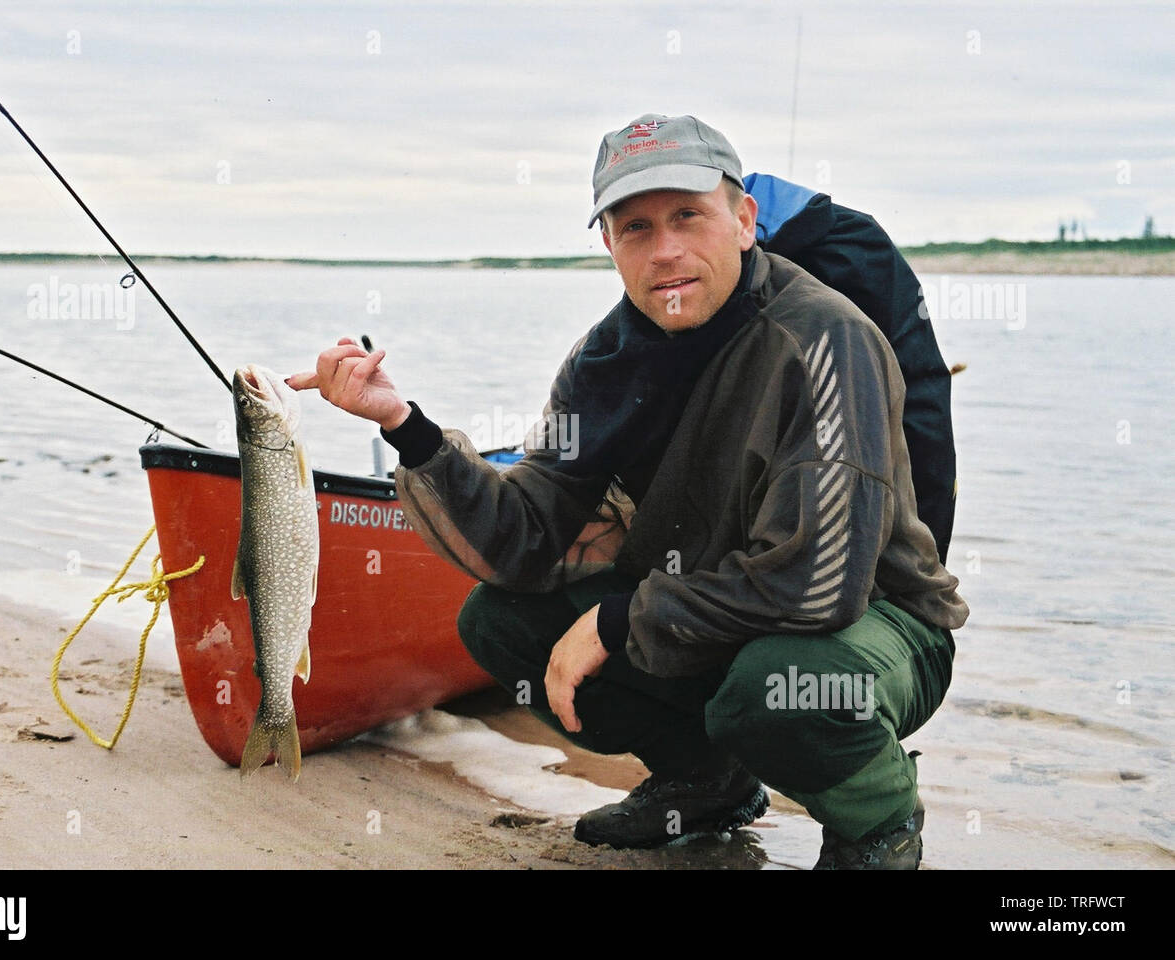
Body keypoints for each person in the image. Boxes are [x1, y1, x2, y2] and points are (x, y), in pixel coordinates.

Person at [287, 113, 969, 869]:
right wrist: (406, 426)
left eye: (689, 216)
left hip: (874, 620)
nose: (667, 249)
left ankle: (878, 822)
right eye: (636, 227)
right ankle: (702, 781)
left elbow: (815, 587)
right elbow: (522, 536)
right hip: (723, 614)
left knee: (778, 687)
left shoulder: (824, 342)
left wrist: (619, 622)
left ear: (743, 221)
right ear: (609, 245)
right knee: (502, 622)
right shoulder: (604, 358)